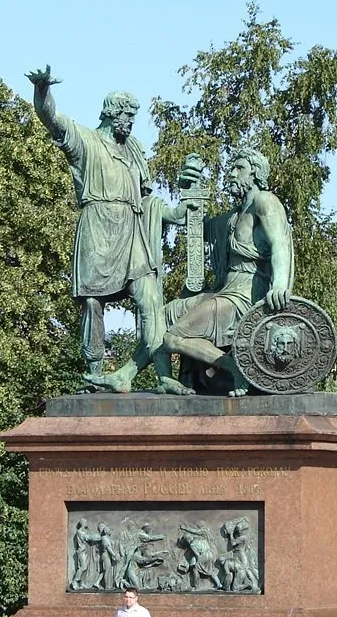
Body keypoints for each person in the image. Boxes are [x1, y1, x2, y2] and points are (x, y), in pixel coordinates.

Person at [27, 66, 186, 394]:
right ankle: (94, 374)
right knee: (93, 303)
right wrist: (42, 90)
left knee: (151, 301)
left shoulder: (134, 149)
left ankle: (163, 374)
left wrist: (173, 214)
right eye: (127, 115)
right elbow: (51, 118)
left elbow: (148, 200)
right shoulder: (85, 140)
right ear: (112, 114)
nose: (131, 122)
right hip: (98, 229)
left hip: (130, 232)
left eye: (133, 116)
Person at [161, 146, 294, 396]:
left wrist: (279, 285)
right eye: (232, 168)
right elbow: (197, 227)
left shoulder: (264, 202)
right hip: (225, 291)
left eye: (239, 168)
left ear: (254, 173)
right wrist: (190, 190)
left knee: (172, 338)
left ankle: (234, 367)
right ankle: (171, 381)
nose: (231, 174)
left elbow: (280, 243)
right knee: (167, 312)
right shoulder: (233, 216)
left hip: (245, 295)